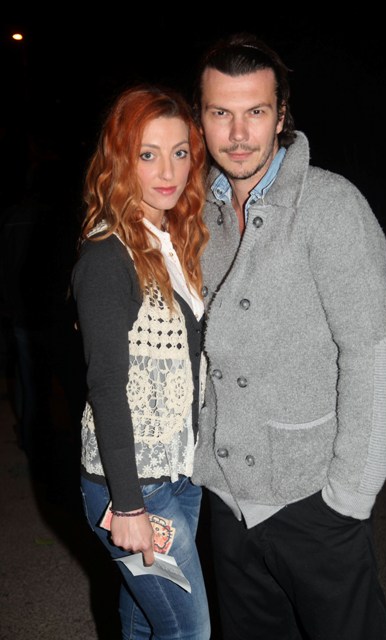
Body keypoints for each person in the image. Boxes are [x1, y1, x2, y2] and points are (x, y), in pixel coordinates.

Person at [191, 32, 386, 640]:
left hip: (312, 500)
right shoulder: (198, 213)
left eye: (255, 112)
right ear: (200, 118)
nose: (238, 134)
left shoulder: (331, 206)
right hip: (227, 497)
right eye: (220, 113)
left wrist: (349, 498)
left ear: (281, 116)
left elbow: (371, 354)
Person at [71, 84, 211, 639]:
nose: (168, 171)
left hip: (179, 474)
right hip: (133, 487)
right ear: (120, 160)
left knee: (145, 621)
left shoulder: (174, 239)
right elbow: (107, 385)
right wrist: (128, 506)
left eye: (180, 152)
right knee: (189, 631)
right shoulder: (109, 255)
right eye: (148, 154)